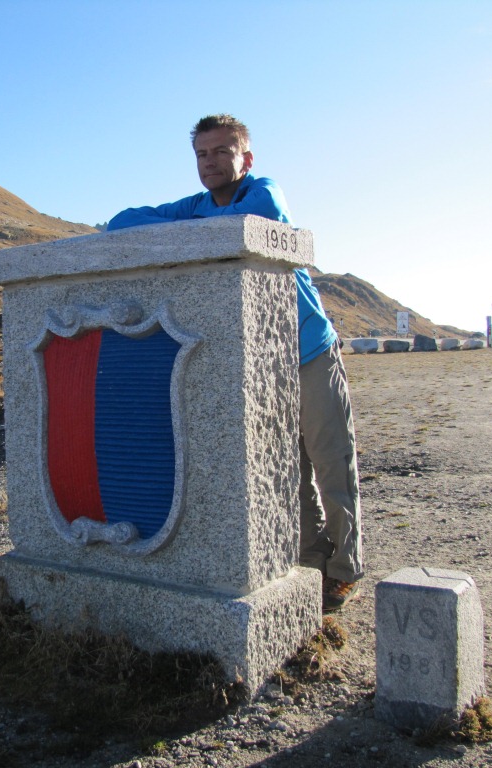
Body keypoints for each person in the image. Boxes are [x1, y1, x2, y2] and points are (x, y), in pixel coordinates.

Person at [107, 114, 363, 612]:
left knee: (332, 465)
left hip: (310, 352)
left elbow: (250, 223)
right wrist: (190, 223)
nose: (211, 162)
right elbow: (122, 221)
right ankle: (311, 565)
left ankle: (346, 568)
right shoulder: (196, 205)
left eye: (223, 152)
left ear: (246, 158)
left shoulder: (265, 191)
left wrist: (186, 229)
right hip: (262, 365)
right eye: (203, 154)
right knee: (286, 472)